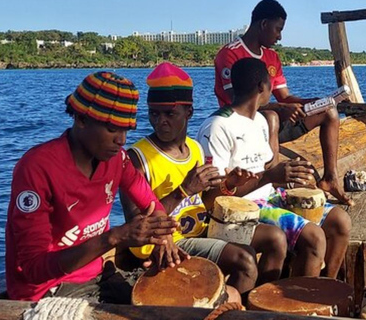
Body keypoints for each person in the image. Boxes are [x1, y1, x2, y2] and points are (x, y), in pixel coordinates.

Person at [5, 71, 183, 302]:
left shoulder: (117, 160)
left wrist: (164, 238)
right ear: (81, 119)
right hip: (49, 290)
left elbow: (151, 204)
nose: (121, 140)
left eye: (125, 130)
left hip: (96, 276)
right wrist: (114, 238)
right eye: (111, 129)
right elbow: (33, 268)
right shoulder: (37, 168)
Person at [121, 62, 287, 296]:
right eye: (154, 113)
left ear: (189, 112)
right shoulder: (137, 158)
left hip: (199, 229)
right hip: (168, 243)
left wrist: (229, 185)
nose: (161, 121)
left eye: (170, 114)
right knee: (245, 260)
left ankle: (251, 306)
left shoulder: (195, 149)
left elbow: (205, 204)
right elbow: (137, 227)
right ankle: (233, 308)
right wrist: (183, 191)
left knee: (275, 238)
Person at [198, 58, 351, 278]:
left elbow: (267, 173)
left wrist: (291, 176)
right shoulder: (218, 127)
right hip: (242, 208)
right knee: (314, 237)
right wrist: (269, 176)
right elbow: (211, 198)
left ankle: (325, 291)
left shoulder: (260, 120)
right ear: (262, 86)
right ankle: (297, 303)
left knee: (340, 221)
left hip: (268, 196)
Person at [214, 0, 354, 206]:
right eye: (277, 29)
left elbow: (285, 98)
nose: (279, 36)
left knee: (330, 112)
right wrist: (279, 108)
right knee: (270, 116)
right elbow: (236, 102)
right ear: (263, 24)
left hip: (273, 125)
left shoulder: (272, 57)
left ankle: (330, 179)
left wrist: (318, 102)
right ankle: (274, 181)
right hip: (244, 127)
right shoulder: (230, 54)